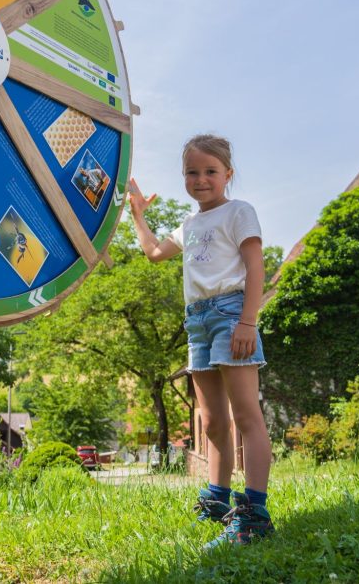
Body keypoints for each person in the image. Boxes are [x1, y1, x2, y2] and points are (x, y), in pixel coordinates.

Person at [127, 134, 274, 549]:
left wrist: (248, 321)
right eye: (192, 172)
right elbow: (154, 252)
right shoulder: (188, 225)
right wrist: (138, 215)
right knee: (211, 421)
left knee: (246, 416)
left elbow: (255, 266)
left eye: (210, 171)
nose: (201, 179)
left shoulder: (239, 212)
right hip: (197, 322)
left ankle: (254, 515)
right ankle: (217, 502)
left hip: (231, 314)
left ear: (227, 174)